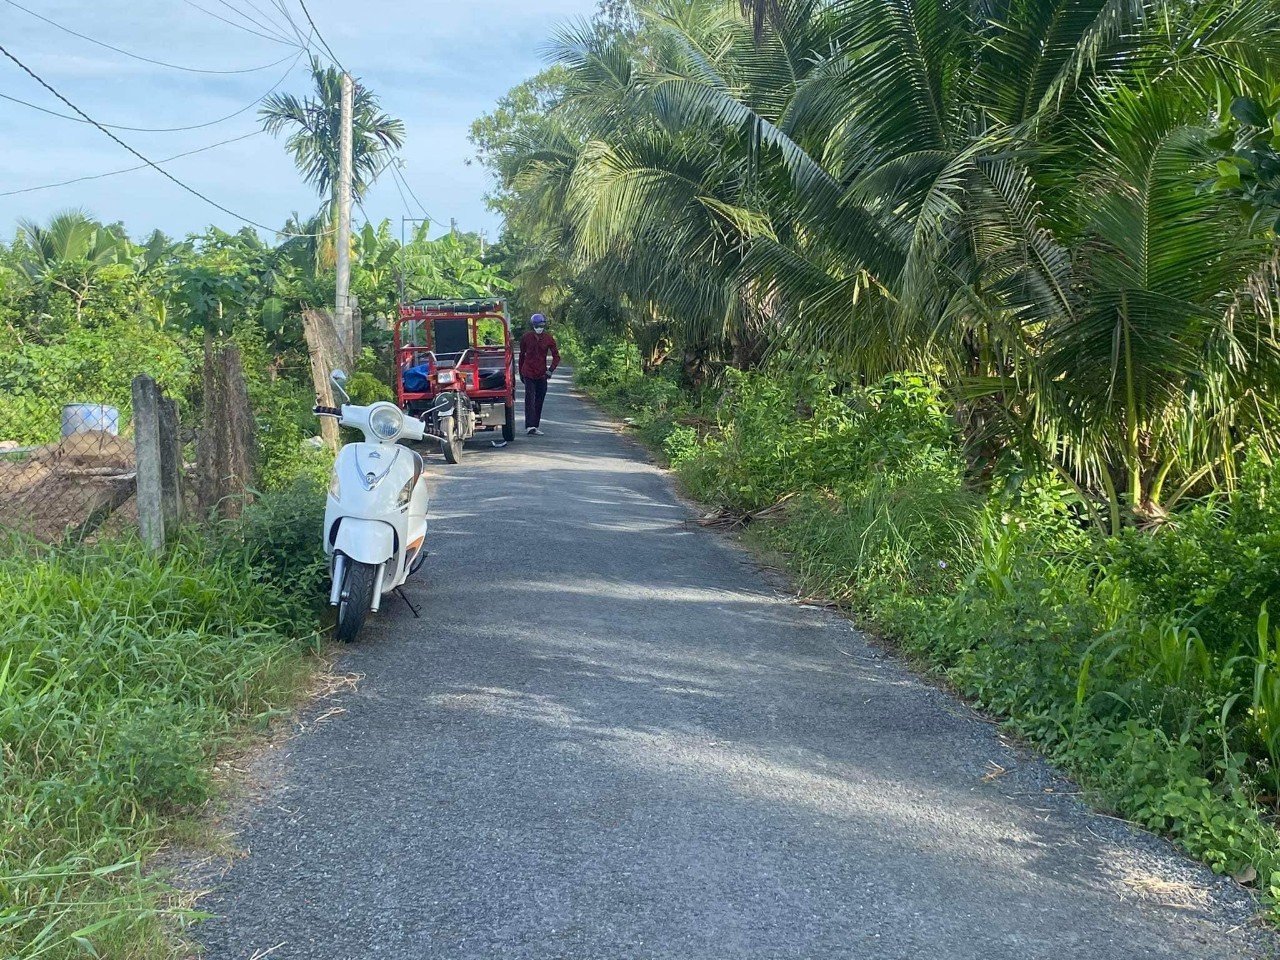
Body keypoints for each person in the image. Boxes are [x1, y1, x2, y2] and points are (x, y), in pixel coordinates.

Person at [518, 313, 560, 435]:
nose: (539, 328)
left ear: (544, 325)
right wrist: (521, 371)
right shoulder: (526, 337)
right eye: (537, 325)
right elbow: (522, 355)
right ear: (533, 326)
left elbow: (556, 356)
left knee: (539, 400)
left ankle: (535, 426)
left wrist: (550, 370)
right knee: (529, 399)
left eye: (541, 325)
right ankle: (529, 426)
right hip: (528, 372)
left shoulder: (548, 338)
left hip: (542, 373)